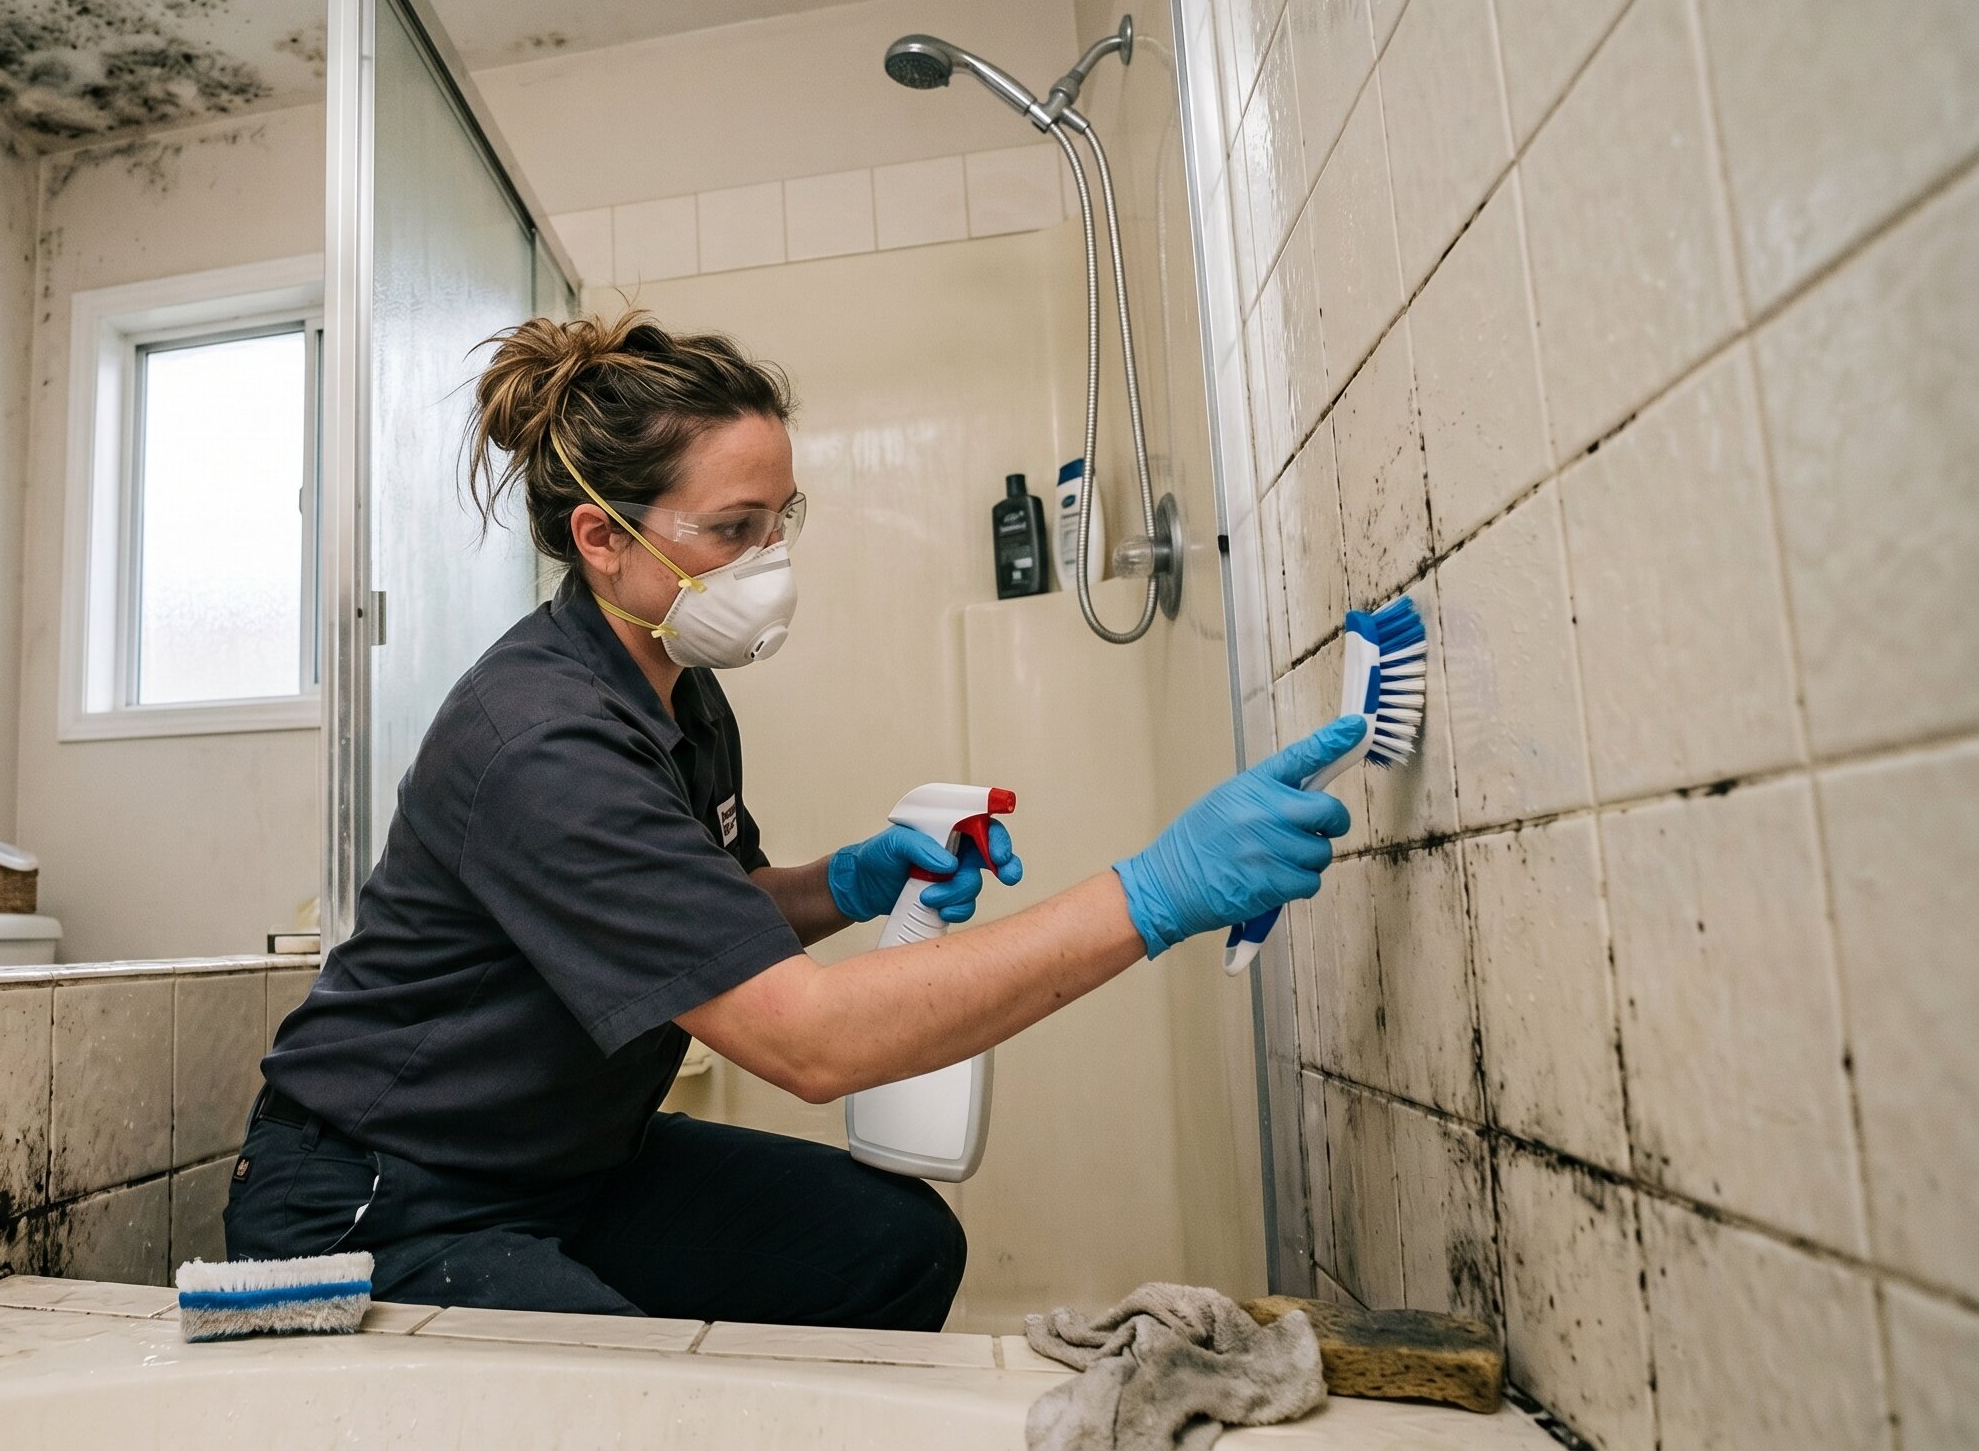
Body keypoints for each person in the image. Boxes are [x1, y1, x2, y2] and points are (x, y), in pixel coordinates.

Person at [226, 311, 1356, 1329]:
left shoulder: (675, 681)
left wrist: (847, 881)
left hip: (568, 1159)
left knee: (891, 1249)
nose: (771, 560)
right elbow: (807, 1044)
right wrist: (1151, 893)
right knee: (635, 1403)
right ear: (601, 538)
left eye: (781, 520)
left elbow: (706, 914)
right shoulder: (541, 742)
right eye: (733, 528)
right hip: (386, 1192)